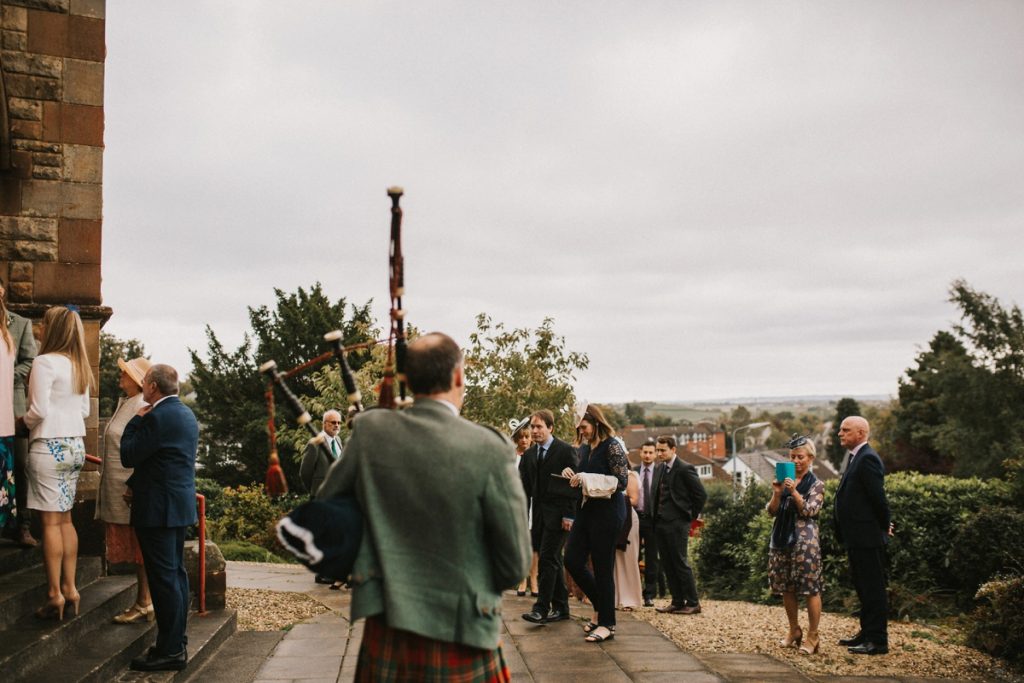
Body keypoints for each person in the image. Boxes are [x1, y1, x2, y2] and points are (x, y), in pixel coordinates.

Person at [317, 332, 530, 681]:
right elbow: (514, 565)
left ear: (407, 379)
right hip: (463, 633)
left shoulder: (371, 433)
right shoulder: (490, 447)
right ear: (458, 376)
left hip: (387, 628)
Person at [121, 364, 199, 672]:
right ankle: (174, 642)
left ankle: (170, 651)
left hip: (157, 510)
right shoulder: (186, 415)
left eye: (145, 383)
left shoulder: (155, 416)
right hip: (178, 506)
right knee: (176, 577)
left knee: (164, 580)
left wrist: (134, 422)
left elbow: (129, 454)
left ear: (152, 386)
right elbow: (163, 460)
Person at [18, 306, 92, 621]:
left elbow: (38, 410)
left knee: (49, 523)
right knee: (66, 520)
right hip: (75, 445)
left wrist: (20, 421)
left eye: (44, 324)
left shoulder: (44, 362)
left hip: (49, 446)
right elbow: (86, 411)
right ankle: (71, 588)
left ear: (53, 330)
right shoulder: (79, 365)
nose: (40, 328)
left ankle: (54, 594)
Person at [563, 404, 629, 643]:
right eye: (579, 428)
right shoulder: (583, 448)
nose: (582, 432)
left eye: (585, 427)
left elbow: (621, 481)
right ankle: (603, 608)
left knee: (602, 567)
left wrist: (587, 478)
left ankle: (607, 624)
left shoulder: (612, 446)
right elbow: (584, 477)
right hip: (586, 511)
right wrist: (573, 474)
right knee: (571, 559)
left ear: (596, 423)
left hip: (609, 513)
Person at [98, 356, 155, 625]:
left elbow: (142, 449)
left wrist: (134, 486)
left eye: (124, 373)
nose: (119, 376)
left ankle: (145, 601)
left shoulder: (141, 405)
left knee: (139, 547)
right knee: (136, 548)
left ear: (136, 380)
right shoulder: (127, 403)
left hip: (128, 488)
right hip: (118, 485)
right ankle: (144, 600)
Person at [834, 416, 892, 656]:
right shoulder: (857, 456)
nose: (840, 433)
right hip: (857, 537)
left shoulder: (867, 458)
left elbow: (878, 498)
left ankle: (877, 641)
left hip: (867, 537)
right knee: (862, 587)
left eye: (845, 430)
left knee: (873, 589)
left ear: (860, 433)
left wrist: (883, 525)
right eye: (840, 429)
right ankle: (866, 632)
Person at [766, 435, 826, 655]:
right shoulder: (785, 480)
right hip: (781, 539)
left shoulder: (817, 484)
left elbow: (810, 511)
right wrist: (777, 493)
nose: (796, 461)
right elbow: (771, 511)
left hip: (804, 542)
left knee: (810, 589)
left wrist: (794, 493)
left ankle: (813, 636)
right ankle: (794, 631)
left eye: (800, 457)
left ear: (810, 458)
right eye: (792, 457)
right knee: (785, 587)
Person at [519, 409, 579, 625]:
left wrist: (570, 515)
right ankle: (562, 608)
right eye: (532, 427)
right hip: (538, 517)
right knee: (553, 559)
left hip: (560, 516)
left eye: (539, 427)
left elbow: (574, 486)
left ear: (550, 428)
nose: (534, 431)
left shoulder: (565, 451)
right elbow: (524, 490)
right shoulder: (528, 456)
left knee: (547, 559)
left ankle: (541, 609)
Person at [1, 277, 38, 547]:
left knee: (20, 465)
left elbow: (30, 360)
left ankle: (23, 524)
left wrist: (7, 375)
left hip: (11, 404)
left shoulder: (19, 323)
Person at [652, 435, 707, 615]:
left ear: (673, 449)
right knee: (667, 563)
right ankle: (677, 601)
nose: (659, 453)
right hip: (660, 523)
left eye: (663, 450)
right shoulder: (660, 468)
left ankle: (693, 602)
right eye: (658, 450)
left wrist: (688, 516)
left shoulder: (685, 468)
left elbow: (700, 495)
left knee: (680, 562)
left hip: (677, 523)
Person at [510, 417, 539, 598]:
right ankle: (522, 579)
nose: (524, 440)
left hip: (534, 503)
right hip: (517, 502)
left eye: (527, 437)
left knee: (534, 542)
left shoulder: (536, 455)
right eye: (521, 437)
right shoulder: (511, 457)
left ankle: (534, 578)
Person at [635, 438, 662, 606]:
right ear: (640, 452)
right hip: (636, 518)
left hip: (653, 521)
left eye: (651, 452)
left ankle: (649, 594)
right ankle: (634, 592)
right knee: (634, 556)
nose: (647, 455)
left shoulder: (660, 472)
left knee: (652, 558)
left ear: (655, 455)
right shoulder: (634, 471)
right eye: (645, 452)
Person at [614, 458, 643, 611]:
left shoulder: (630, 475)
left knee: (627, 558)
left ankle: (630, 599)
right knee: (614, 560)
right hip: (612, 518)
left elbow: (634, 499)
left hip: (627, 519)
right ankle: (616, 597)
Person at [299, 409, 343, 497]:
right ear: (324, 424)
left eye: (339, 423)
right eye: (333, 422)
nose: (337, 425)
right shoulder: (315, 443)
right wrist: (314, 491)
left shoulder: (338, 440)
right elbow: (305, 473)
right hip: (321, 497)